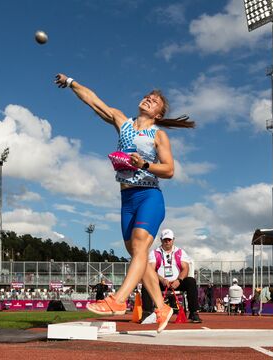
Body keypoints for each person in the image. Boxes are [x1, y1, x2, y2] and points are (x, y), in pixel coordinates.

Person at [55, 73, 195, 333]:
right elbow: (94, 102)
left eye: (154, 102)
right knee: (137, 257)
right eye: (147, 97)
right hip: (127, 199)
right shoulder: (123, 122)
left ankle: (118, 301)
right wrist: (72, 83)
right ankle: (162, 308)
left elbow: (170, 169)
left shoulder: (158, 135)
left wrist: (145, 164)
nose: (148, 100)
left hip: (149, 195)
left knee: (141, 245)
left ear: (158, 114)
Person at [140, 229, 202, 323]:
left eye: (169, 239)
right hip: (160, 283)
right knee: (147, 283)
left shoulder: (180, 252)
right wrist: (162, 279)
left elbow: (185, 268)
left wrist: (179, 280)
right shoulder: (155, 253)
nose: (167, 242)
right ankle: (147, 313)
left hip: (177, 282)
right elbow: (151, 270)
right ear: (161, 240)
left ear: (173, 240)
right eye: (165, 240)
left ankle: (194, 313)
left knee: (191, 281)